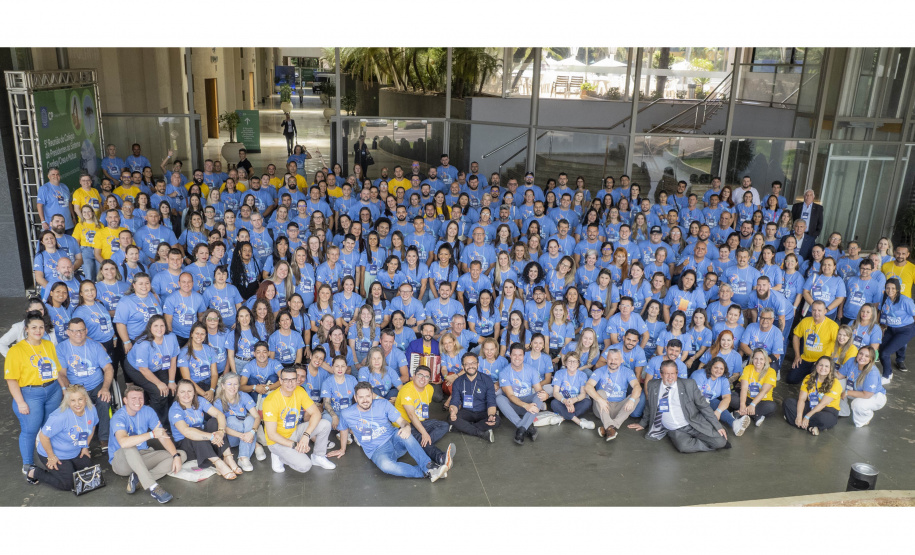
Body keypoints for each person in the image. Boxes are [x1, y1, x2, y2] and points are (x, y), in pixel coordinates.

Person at [328, 381, 451, 482]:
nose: (365, 400)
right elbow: (343, 430)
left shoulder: (383, 404)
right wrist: (342, 449)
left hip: (393, 439)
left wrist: (406, 427)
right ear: (355, 397)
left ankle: (429, 466)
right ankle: (426, 473)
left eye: (368, 396)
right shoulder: (346, 413)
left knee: (406, 435)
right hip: (377, 450)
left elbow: (402, 421)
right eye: (361, 397)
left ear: (372, 395)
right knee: (385, 466)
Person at [4, 311, 64, 474]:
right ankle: (28, 465)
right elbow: (11, 380)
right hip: (30, 394)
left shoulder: (49, 345)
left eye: (41, 327)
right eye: (34, 327)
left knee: (49, 427)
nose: (38, 330)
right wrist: (20, 402)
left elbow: (56, 370)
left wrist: (64, 389)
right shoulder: (16, 350)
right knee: (30, 430)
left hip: (53, 391)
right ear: (26, 329)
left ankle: (50, 458)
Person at [628, 360, 730, 453]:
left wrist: (717, 425)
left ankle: (710, 432)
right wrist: (642, 423)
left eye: (673, 373)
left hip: (692, 422)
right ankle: (705, 441)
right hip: (675, 429)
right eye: (667, 373)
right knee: (684, 447)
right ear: (661, 374)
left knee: (721, 442)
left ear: (677, 373)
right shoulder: (652, 385)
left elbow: (703, 406)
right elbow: (649, 406)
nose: (670, 377)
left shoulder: (689, 384)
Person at [108, 384, 186, 503]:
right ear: (125, 400)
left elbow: (163, 436)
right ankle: (153, 487)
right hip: (122, 462)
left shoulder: (147, 411)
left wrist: (175, 456)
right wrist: (151, 434)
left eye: (140, 398)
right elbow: (123, 443)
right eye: (133, 398)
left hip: (142, 455)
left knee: (181, 455)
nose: (138, 401)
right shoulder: (118, 417)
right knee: (129, 445)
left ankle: (138, 479)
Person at [262, 366, 336, 473]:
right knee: (305, 466)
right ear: (280, 381)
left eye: (293, 379)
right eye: (286, 380)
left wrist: (306, 436)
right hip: (276, 441)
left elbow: (316, 413)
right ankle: (278, 455)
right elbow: (271, 435)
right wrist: (295, 445)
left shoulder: (299, 391)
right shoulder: (271, 401)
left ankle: (318, 456)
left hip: (294, 432)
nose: (290, 383)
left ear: (297, 380)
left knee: (325, 424)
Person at [55, 317, 114, 451]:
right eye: (75, 331)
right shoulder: (62, 348)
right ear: (68, 332)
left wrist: (105, 388)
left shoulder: (95, 346)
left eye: (81, 330)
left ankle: (104, 438)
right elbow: (62, 374)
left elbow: (108, 368)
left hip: (96, 384)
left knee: (104, 401)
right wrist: (71, 390)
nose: (79, 334)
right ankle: (77, 438)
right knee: (75, 403)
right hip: (75, 386)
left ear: (86, 331)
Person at [24, 384, 97, 490]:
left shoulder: (91, 410)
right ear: (68, 401)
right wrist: (51, 456)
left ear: (85, 399)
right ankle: (34, 472)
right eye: (72, 400)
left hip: (75, 450)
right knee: (70, 484)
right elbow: (43, 437)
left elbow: (93, 426)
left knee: (90, 473)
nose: (77, 404)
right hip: (55, 453)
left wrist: (85, 447)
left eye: (80, 399)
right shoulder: (59, 417)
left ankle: (67, 468)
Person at [168, 379, 239, 479]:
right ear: (177, 394)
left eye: (189, 391)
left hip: (204, 440)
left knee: (213, 422)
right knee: (196, 430)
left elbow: (220, 415)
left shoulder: (199, 401)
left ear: (194, 392)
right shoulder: (175, 409)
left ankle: (228, 457)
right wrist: (211, 436)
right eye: (182, 392)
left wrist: (221, 432)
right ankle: (219, 464)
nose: (186, 394)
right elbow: (186, 431)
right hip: (186, 444)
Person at [394, 365, 456, 467]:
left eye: (427, 377)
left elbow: (424, 409)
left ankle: (418, 444)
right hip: (404, 425)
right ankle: (441, 458)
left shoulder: (430, 389)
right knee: (422, 435)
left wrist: (423, 432)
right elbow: (411, 415)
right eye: (420, 375)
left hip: (419, 421)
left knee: (444, 425)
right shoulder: (407, 390)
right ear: (413, 376)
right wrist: (424, 433)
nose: (423, 379)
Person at [123, 315, 180, 425]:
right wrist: (159, 383)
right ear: (150, 328)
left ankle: (172, 418)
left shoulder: (171, 337)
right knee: (159, 392)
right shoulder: (143, 344)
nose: (159, 329)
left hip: (159, 365)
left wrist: (171, 382)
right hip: (137, 369)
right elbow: (143, 369)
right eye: (156, 326)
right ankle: (158, 424)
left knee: (171, 389)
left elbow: (173, 360)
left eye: (162, 326)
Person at [496, 343, 549, 445]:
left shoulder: (531, 370)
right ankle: (526, 427)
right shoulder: (504, 372)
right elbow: (510, 396)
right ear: (510, 355)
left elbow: (538, 389)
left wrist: (545, 395)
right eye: (514, 355)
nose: (517, 358)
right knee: (499, 399)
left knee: (539, 395)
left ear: (524, 356)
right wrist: (526, 406)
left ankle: (521, 429)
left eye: (520, 355)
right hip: (514, 404)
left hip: (528, 402)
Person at [585, 348, 641, 441]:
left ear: (621, 360)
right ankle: (611, 427)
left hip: (619, 408)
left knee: (636, 397)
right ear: (606, 359)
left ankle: (609, 426)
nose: (613, 362)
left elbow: (637, 386)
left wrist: (631, 400)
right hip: (602, 407)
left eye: (616, 359)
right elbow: (588, 386)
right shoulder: (600, 371)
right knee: (600, 393)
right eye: (610, 359)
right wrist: (600, 400)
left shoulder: (627, 371)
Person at [212, 372, 260, 472]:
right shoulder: (218, 402)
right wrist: (244, 436)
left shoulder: (243, 395)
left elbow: (257, 417)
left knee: (250, 419)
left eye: (235, 384)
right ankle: (255, 444)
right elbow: (221, 427)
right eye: (229, 384)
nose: (233, 387)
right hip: (233, 437)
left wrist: (251, 433)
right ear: (223, 386)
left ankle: (243, 457)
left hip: (247, 433)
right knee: (231, 419)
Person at [783, 356, 843, 435]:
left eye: (826, 366)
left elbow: (822, 404)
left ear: (831, 369)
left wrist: (807, 417)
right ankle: (810, 427)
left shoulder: (835, 383)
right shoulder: (809, 377)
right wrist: (799, 415)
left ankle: (794, 420)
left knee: (822, 419)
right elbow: (802, 399)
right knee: (788, 402)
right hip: (811, 405)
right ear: (816, 365)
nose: (823, 368)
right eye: (820, 365)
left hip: (827, 410)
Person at [447, 352, 500, 442]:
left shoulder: (487, 380)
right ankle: (481, 433)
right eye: (467, 364)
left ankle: (462, 428)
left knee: (497, 420)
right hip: (466, 412)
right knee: (450, 418)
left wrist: (491, 415)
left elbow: (491, 402)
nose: (470, 366)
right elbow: (454, 402)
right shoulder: (458, 381)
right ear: (463, 367)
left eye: (473, 363)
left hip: (483, 412)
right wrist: (453, 411)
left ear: (478, 364)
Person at [789, 300, 839, 384]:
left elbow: (838, 345)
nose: (816, 313)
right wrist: (797, 355)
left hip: (821, 362)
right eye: (814, 310)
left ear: (825, 311)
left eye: (819, 310)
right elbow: (796, 336)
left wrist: (828, 362)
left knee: (812, 384)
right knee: (791, 379)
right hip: (805, 358)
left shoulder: (833, 326)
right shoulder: (805, 321)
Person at [878, 277, 915, 381]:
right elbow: (883, 313)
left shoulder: (905, 301)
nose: (890, 291)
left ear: (898, 289)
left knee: (886, 353)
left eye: (893, 288)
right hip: (891, 329)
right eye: (888, 288)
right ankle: (889, 372)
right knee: (881, 350)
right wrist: (882, 326)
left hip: (905, 330)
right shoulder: (885, 299)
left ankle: (885, 377)